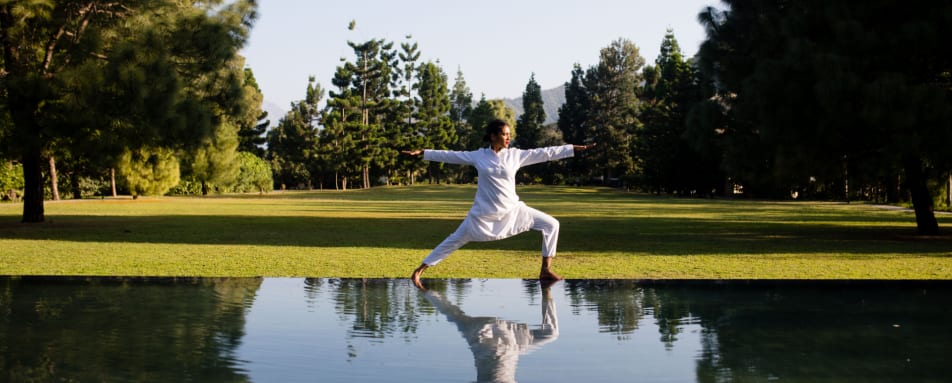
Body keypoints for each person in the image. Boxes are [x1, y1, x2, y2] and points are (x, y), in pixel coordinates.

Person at [402, 118, 594, 289]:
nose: (508, 138)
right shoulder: (479, 156)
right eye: (504, 134)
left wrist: (570, 149)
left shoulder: (515, 155)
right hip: (483, 215)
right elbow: (451, 155)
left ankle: (546, 270)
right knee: (454, 240)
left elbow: (545, 153)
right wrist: (424, 152)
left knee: (552, 224)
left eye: (510, 135)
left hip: (514, 210)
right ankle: (420, 270)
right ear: (493, 136)